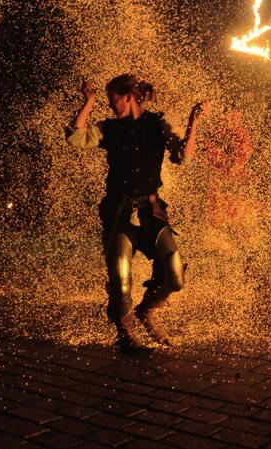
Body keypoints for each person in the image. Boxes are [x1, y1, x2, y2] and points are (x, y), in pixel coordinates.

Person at [66, 74, 203, 353]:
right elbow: (76, 137)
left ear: (128, 96)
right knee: (120, 278)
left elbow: (182, 157)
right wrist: (88, 102)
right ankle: (125, 333)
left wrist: (194, 123)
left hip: (151, 212)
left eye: (112, 99)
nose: (110, 105)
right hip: (119, 213)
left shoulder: (157, 124)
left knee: (175, 274)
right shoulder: (108, 128)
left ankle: (147, 310)